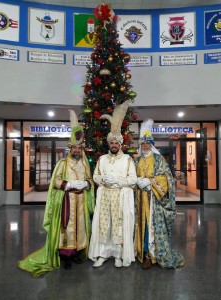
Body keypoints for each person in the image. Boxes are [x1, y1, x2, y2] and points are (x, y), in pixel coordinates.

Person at [18, 110, 95, 276]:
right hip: (67, 201)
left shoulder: (85, 164)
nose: (76, 150)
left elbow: (90, 180)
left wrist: (86, 184)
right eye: (74, 147)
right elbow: (56, 182)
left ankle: (77, 254)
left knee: (80, 229)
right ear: (70, 148)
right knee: (66, 230)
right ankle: (66, 257)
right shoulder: (62, 163)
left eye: (78, 148)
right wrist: (69, 184)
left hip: (81, 202)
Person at [88, 101, 137, 268]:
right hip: (105, 196)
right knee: (104, 224)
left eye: (117, 143)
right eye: (112, 143)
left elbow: (133, 180)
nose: (114, 145)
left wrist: (117, 181)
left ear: (120, 144)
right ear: (109, 144)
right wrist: (102, 180)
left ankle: (117, 254)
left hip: (120, 196)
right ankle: (103, 253)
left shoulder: (127, 159)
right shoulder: (102, 159)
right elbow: (95, 176)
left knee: (118, 225)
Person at [135, 119, 184, 270]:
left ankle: (152, 255)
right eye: (142, 144)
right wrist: (136, 181)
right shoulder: (136, 160)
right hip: (139, 199)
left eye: (147, 143)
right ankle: (142, 252)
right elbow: (131, 176)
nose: (145, 146)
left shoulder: (159, 159)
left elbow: (166, 178)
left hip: (154, 201)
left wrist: (150, 183)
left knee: (151, 228)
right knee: (140, 226)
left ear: (151, 144)